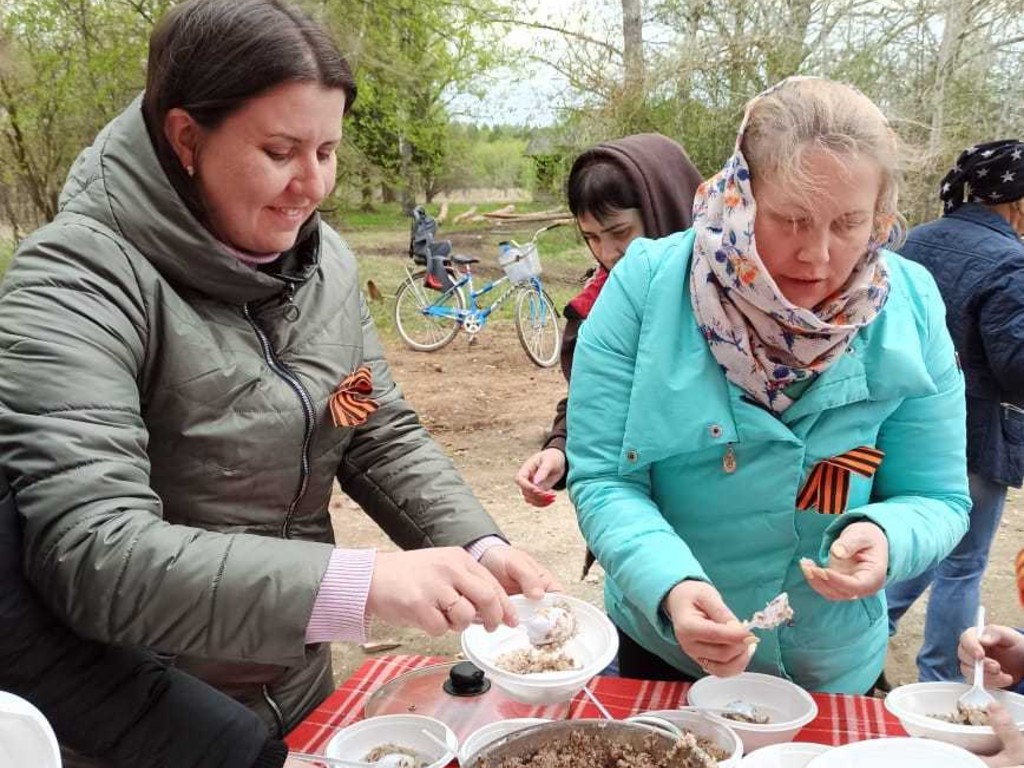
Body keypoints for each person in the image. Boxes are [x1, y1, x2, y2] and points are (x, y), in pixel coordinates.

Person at [0, 0, 559, 750]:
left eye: (327, 152)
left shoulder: (325, 267)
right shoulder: (76, 284)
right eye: (280, 151)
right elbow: (98, 551)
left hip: (295, 687)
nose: (313, 186)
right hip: (156, 719)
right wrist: (359, 585)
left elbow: (365, 427)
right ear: (186, 137)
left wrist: (478, 547)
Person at [566, 76, 971, 692]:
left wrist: (889, 535)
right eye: (791, 219)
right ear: (741, 194)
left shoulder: (910, 306)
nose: (817, 255)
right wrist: (672, 585)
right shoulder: (645, 289)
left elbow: (938, 498)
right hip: (671, 650)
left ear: (881, 216)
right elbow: (603, 478)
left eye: (849, 223)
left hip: (831, 663)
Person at [0, 470, 298, 768]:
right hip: (172, 682)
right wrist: (333, 589)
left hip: (293, 673)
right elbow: (101, 552)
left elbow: (344, 444)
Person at [886, 139, 1024, 683]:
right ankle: (940, 682)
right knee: (963, 564)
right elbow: (1015, 366)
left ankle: (868, 635)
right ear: (1015, 201)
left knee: (920, 546)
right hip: (976, 432)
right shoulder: (1011, 261)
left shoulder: (916, 241)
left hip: (906, 423)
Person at [514, 134, 703, 510]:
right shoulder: (595, 310)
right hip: (639, 511)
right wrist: (560, 449)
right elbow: (598, 400)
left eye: (620, 233)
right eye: (591, 238)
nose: (608, 253)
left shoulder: (734, 301)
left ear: (663, 208)